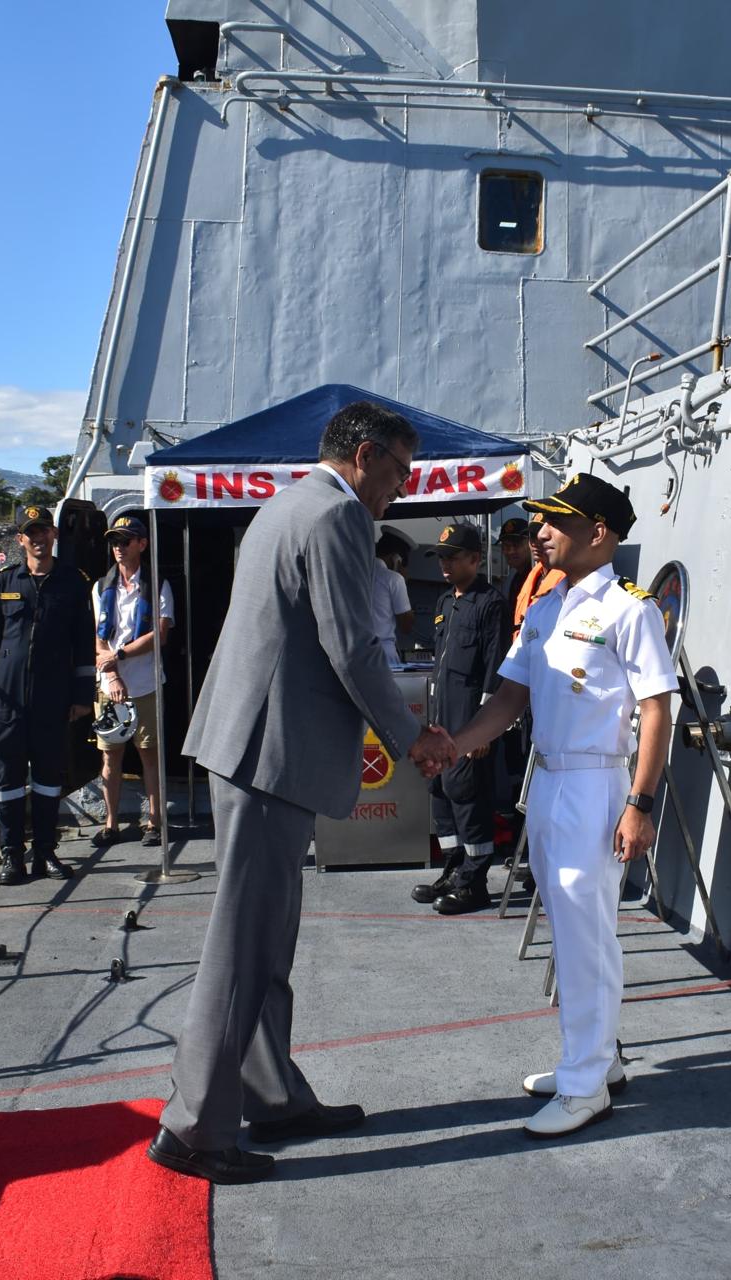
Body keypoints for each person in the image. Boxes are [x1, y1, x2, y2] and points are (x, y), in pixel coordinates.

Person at [147, 401, 455, 1185]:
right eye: (397, 471)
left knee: (267, 940)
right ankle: (194, 1128)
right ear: (364, 454)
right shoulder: (337, 519)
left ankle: (271, 1094)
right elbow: (350, 647)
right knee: (244, 948)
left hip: (254, 748)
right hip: (268, 755)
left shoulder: (287, 504)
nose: (401, 487)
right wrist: (410, 735)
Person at [427, 474, 677, 1138]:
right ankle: (598, 1060)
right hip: (548, 780)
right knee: (574, 931)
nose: (541, 531)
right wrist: (453, 747)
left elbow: (656, 711)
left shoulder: (631, 608)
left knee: (583, 933)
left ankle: (584, 1083)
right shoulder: (544, 608)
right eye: (541, 520)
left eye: (556, 521)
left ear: (599, 533)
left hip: (597, 783)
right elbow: (508, 702)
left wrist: (640, 803)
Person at [0, 505, 96, 884]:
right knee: (8, 782)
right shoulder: (5, 582)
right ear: (21, 539)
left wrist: (82, 695)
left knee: (47, 780)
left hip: (53, 699)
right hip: (7, 700)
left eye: (44, 531)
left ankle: (45, 852)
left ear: (54, 536)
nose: (39, 538)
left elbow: (83, 646)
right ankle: (12, 855)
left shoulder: (74, 582)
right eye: (31, 533)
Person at [410, 523, 510, 915]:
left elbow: (495, 668)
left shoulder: (490, 604)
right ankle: (454, 870)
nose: (446, 565)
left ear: (475, 558)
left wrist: (484, 728)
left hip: (470, 717)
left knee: (468, 798)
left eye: (454, 557)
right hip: (442, 715)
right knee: (441, 796)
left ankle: (475, 883)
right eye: (442, 558)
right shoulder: (444, 602)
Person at [90, 515, 175, 848]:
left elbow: (160, 634)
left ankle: (154, 821)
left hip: (145, 684)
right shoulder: (101, 587)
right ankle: (110, 823)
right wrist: (110, 674)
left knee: (149, 754)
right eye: (114, 542)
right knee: (110, 756)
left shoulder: (157, 584)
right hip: (109, 687)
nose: (118, 549)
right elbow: (98, 639)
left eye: (125, 541)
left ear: (142, 544)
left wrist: (118, 656)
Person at [512, 513, 565, 638]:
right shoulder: (533, 574)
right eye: (532, 536)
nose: (535, 542)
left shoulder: (568, 577)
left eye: (541, 537)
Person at [370, 529, 414, 666]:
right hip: (383, 653)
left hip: (357, 653)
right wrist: (403, 583)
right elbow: (406, 626)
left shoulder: (356, 574)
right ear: (397, 558)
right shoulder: (393, 579)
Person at [496, 517, 532, 613]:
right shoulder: (514, 577)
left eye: (516, 545)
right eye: (506, 546)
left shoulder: (538, 577)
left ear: (530, 544)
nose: (510, 551)